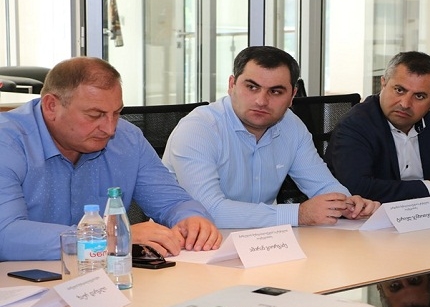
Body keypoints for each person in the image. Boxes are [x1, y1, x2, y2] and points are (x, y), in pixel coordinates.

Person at [0, 57, 222, 261]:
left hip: (107, 279)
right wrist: (109, 238)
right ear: (51, 106)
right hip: (19, 282)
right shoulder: (7, 143)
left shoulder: (127, 139)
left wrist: (192, 220)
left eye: (116, 113)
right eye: (95, 115)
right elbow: (6, 236)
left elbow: (173, 203)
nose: (110, 128)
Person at [162, 46, 379, 228]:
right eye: (252, 87)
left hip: (263, 244)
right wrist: (299, 214)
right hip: (187, 247)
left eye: (275, 92)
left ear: (292, 96)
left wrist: (347, 203)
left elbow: (323, 186)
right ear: (231, 85)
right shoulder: (199, 128)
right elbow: (208, 211)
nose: (261, 101)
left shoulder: (291, 125)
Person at [325, 51, 430, 203]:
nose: (405, 104)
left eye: (419, 96)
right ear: (383, 83)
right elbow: (357, 187)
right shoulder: (355, 125)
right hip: (370, 220)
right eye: (399, 90)